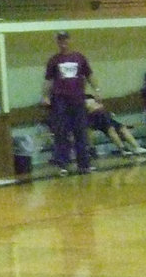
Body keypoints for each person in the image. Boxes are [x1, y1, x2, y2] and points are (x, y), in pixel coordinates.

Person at [42, 30, 102, 175]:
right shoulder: (54, 60)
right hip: (60, 100)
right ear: (57, 42)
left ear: (69, 40)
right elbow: (48, 80)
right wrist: (45, 96)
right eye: (60, 40)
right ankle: (63, 164)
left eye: (65, 39)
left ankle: (84, 164)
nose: (63, 42)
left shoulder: (79, 57)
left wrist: (97, 90)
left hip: (78, 99)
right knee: (61, 132)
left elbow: (89, 75)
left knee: (80, 131)